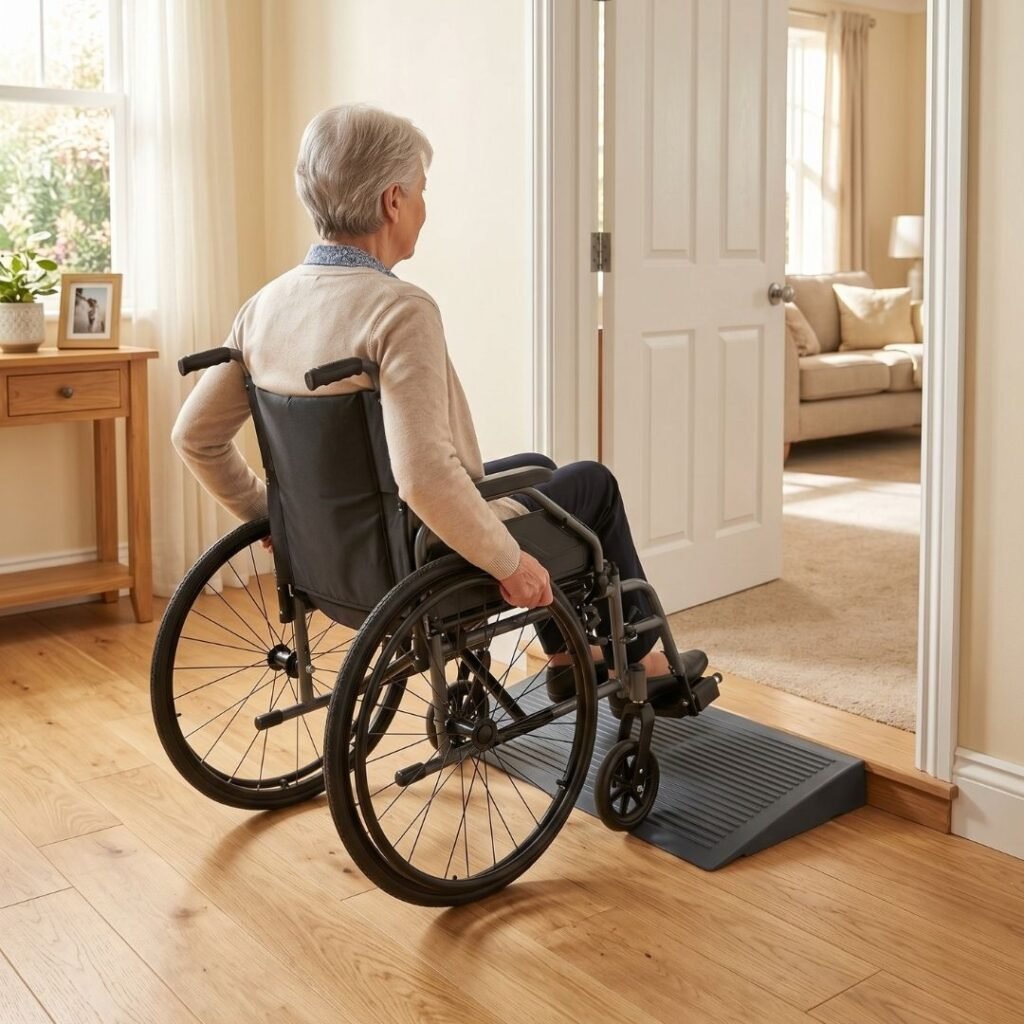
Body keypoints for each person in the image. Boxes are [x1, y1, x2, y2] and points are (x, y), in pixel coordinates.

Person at [172, 104, 674, 696]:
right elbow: (425, 479)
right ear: (392, 200)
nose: (423, 209)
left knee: (537, 468)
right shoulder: (398, 309)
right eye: (420, 192)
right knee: (591, 485)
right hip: (417, 550)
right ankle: (649, 664)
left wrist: (272, 516)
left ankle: (571, 658)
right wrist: (511, 566)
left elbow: (195, 435)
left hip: (336, 551)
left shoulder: (264, 308)